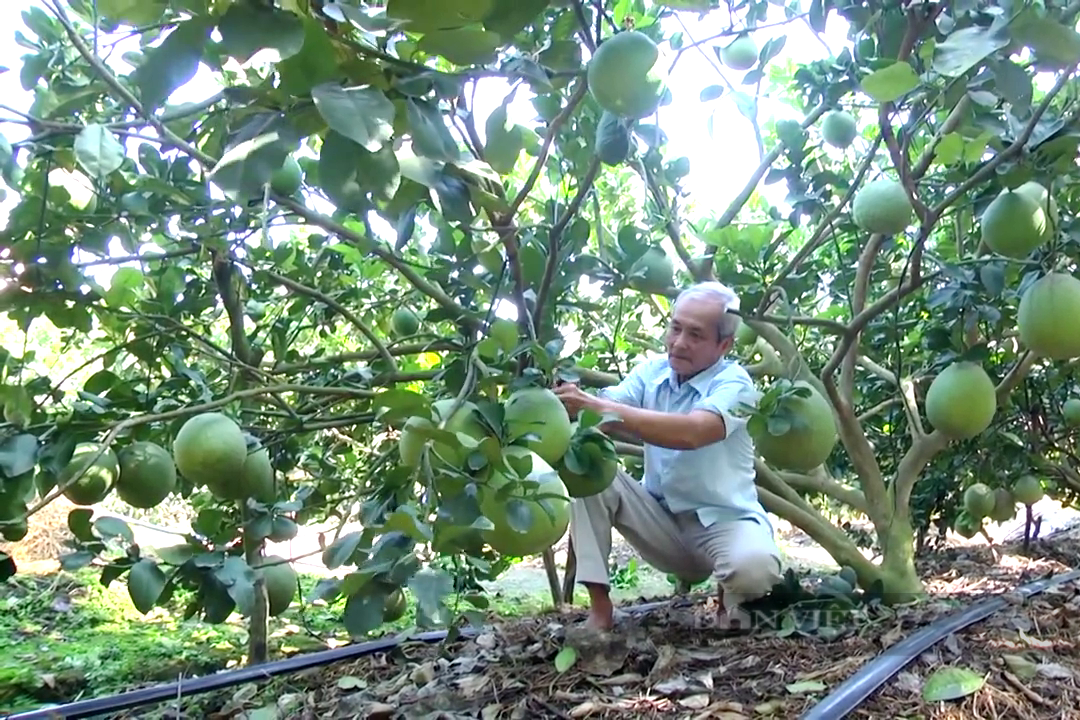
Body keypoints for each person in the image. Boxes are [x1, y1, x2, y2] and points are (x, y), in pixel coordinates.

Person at [553, 280, 783, 632]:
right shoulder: (652, 373)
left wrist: (598, 407)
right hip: (661, 521)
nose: (679, 342)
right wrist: (556, 404)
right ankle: (600, 611)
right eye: (675, 328)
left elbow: (693, 432)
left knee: (755, 572)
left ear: (724, 345)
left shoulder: (736, 385)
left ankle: (729, 598)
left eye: (695, 334)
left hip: (723, 523)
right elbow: (601, 416)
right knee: (587, 469)